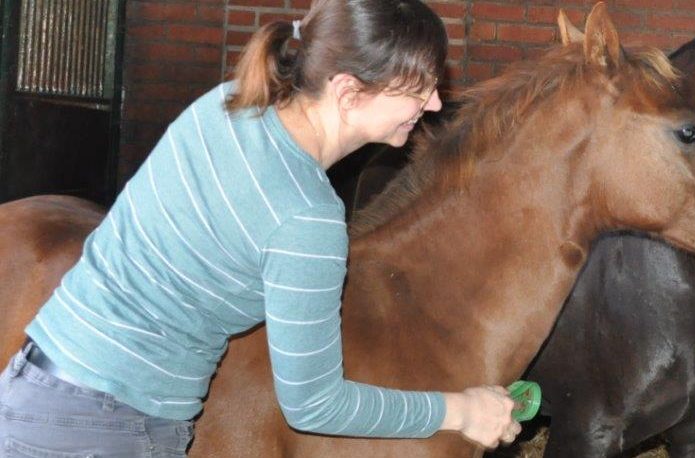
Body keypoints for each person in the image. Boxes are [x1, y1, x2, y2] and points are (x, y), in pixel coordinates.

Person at [0, 0, 521, 455]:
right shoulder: (307, 217)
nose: (434, 104)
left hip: (31, 387)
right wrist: (462, 411)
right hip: (110, 428)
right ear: (348, 92)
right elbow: (314, 404)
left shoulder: (229, 102)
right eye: (417, 89)